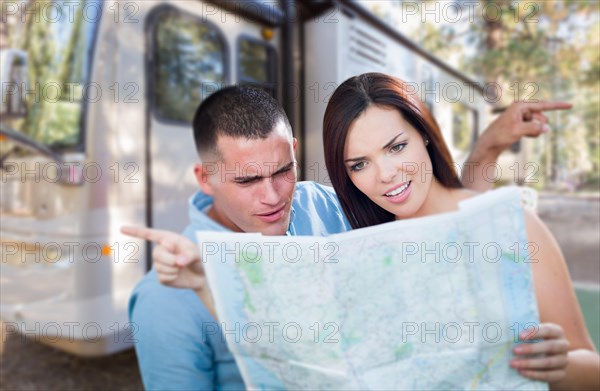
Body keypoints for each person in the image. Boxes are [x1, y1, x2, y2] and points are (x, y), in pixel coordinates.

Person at [122, 85, 573, 390]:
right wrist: (206, 283)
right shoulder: (164, 300)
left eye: (283, 171)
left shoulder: (330, 205)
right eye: (247, 181)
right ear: (205, 178)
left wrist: (487, 148)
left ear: (295, 153)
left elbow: (443, 223)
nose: (274, 196)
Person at [321, 72, 599, 390]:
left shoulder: (509, 227)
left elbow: (592, 370)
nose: (385, 174)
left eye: (397, 147)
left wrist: (558, 367)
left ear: (424, 133)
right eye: (359, 164)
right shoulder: (360, 260)